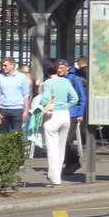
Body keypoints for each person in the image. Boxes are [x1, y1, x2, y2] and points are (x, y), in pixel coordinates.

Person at [41, 58, 80, 186]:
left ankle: (55, 179)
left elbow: (45, 99)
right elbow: (75, 98)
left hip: (53, 116)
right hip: (65, 115)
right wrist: (66, 105)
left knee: (52, 149)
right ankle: (55, 176)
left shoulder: (48, 83)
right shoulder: (65, 81)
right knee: (61, 148)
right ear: (57, 69)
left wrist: (39, 102)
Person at [61, 58, 87, 175]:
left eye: (61, 67)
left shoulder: (75, 79)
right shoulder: (60, 79)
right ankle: (69, 163)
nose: (59, 70)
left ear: (67, 68)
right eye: (58, 68)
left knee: (67, 139)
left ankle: (73, 162)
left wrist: (80, 114)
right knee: (63, 140)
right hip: (62, 112)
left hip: (72, 113)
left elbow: (82, 97)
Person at [0, 56, 30, 133]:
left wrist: (26, 110)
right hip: (3, 109)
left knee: (17, 134)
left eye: (5, 65)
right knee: (3, 135)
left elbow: (25, 95)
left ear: (12, 65)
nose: (3, 67)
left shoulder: (22, 77)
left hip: (17, 109)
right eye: (2, 65)